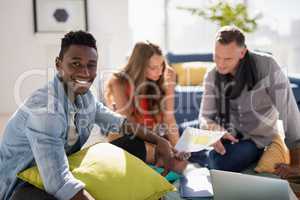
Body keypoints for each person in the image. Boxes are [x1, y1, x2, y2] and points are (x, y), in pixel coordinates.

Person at [0, 31, 177, 200]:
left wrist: (160, 141)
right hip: (21, 188)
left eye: (91, 65)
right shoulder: (46, 109)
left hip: (64, 169)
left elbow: (120, 123)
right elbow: (59, 183)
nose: (84, 72)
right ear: (58, 64)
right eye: (75, 63)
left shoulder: (85, 97)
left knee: (132, 143)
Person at [197, 25, 300, 177]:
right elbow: (204, 116)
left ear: (243, 52)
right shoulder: (212, 74)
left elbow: (290, 115)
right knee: (180, 133)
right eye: (216, 56)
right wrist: (211, 128)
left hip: (255, 140)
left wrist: (297, 164)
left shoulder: (267, 66)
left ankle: (204, 155)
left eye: (227, 59)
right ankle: (203, 153)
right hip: (223, 133)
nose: (220, 64)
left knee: (222, 162)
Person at [105, 41, 186, 166]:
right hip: (127, 138)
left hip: (154, 138)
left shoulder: (168, 74)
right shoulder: (119, 81)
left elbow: (169, 118)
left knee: (180, 163)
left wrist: (178, 149)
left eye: (162, 65)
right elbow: (128, 125)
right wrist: (160, 146)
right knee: (161, 157)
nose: (159, 71)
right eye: (153, 67)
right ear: (140, 66)